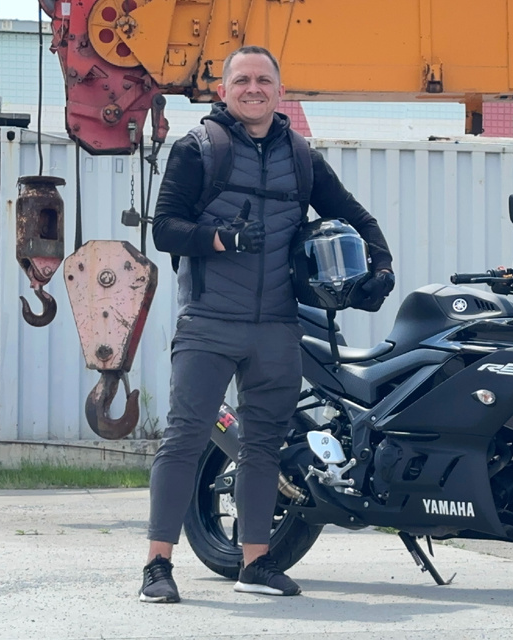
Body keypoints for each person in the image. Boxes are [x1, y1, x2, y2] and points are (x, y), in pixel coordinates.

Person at [139, 45, 394, 603]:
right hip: (209, 320)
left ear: (280, 91)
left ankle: (254, 564)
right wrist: (221, 238)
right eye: (242, 80)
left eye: (263, 81)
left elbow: (353, 215)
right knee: (184, 440)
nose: (253, 89)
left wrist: (382, 266)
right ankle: (157, 565)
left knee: (263, 445)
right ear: (223, 90)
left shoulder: (301, 156)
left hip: (277, 325)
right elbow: (165, 229)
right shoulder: (198, 148)